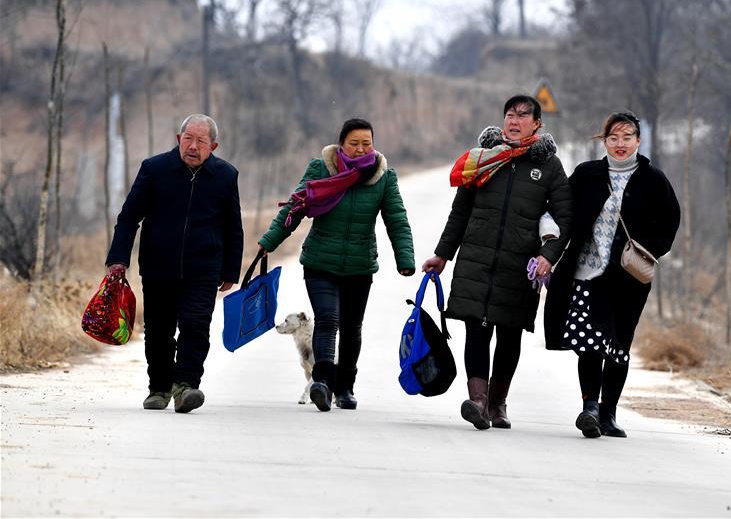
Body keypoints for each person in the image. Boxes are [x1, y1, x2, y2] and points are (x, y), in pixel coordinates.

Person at [422, 95, 573, 430]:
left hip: (519, 266)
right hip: (477, 258)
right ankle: (477, 400)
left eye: (522, 116)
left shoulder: (548, 167)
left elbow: (565, 218)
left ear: (537, 124)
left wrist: (548, 256)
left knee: (509, 334)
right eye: (509, 115)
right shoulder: (482, 159)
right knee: (476, 329)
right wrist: (442, 254)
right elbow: (460, 212)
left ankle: (497, 403)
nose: (514, 121)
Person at [258, 118, 414, 412]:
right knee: (328, 319)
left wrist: (405, 259)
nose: (359, 149)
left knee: (352, 327)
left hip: (359, 265)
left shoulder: (383, 177)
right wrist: (269, 241)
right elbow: (295, 208)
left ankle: (345, 387)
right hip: (320, 261)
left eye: (366, 143)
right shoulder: (320, 169)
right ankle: (323, 383)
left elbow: (397, 219)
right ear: (341, 143)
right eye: (353, 143)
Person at [544, 111, 680, 438]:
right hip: (586, 271)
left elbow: (670, 223)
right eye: (613, 138)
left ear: (638, 141)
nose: (620, 144)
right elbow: (561, 208)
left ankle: (609, 414)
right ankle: (589, 407)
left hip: (628, 278)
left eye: (627, 137)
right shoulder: (587, 174)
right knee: (589, 342)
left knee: (618, 345)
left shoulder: (654, 180)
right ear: (604, 140)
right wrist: (550, 238)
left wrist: (647, 249)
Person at [106, 113, 243, 413]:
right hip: (158, 266)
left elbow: (233, 226)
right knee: (158, 329)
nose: (193, 146)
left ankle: (186, 386)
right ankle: (159, 387)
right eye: (188, 139)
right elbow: (129, 217)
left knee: (196, 325)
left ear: (213, 146)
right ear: (178, 139)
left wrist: (231, 270)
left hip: (203, 268)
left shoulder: (225, 175)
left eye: (201, 141)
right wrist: (118, 258)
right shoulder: (154, 169)